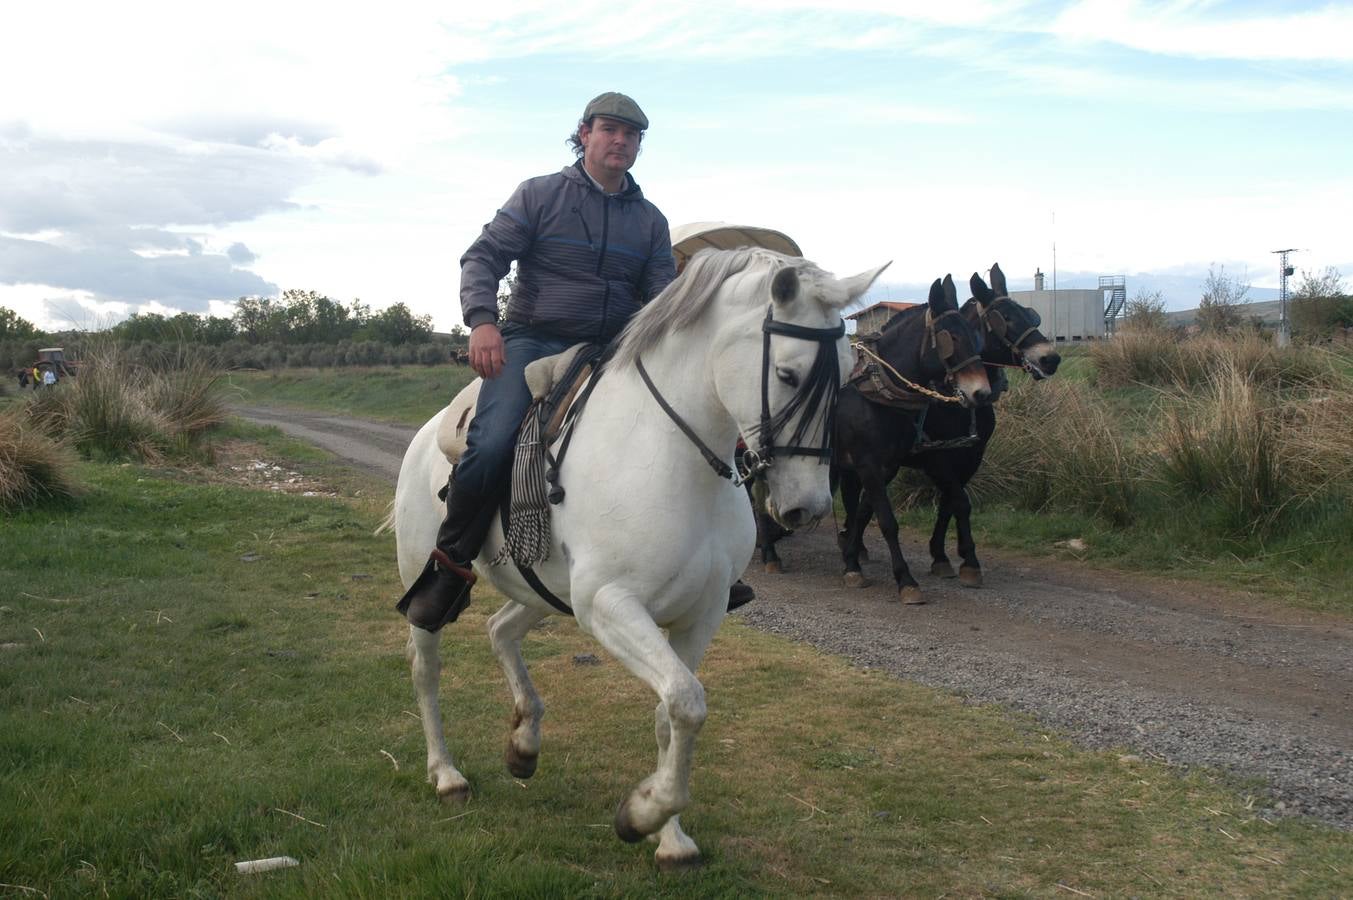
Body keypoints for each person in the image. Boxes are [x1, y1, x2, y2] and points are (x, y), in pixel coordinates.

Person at [398, 92, 755, 631]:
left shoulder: (650, 221)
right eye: (610, 129)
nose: (621, 141)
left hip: (615, 347)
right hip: (534, 340)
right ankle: (450, 565)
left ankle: (707, 566)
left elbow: (660, 301)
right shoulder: (539, 196)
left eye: (631, 135)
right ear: (584, 133)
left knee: (696, 431)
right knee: (493, 441)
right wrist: (482, 322)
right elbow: (483, 257)